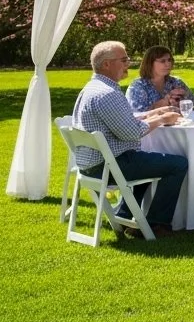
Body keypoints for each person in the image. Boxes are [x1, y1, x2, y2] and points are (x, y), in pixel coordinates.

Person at [71, 41, 186, 238]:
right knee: (178, 164)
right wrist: (163, 119)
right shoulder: (107, 94)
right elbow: (132, 133)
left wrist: (157, 112)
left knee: (149, 160)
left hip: (93, 164)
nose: (128, 64)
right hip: (108, 166)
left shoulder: (93, 88)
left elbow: (122, 121)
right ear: (107, 64)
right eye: (124, 60)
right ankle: (157, 223)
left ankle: (124, 213)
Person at [126, 45, 192, 113]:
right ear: (150, 63)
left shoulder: (176, 83)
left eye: (169, 60)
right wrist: (165, 101)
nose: (168, 64)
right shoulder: (138, 87)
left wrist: (184, 96)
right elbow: (137, 115)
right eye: (162, 61)